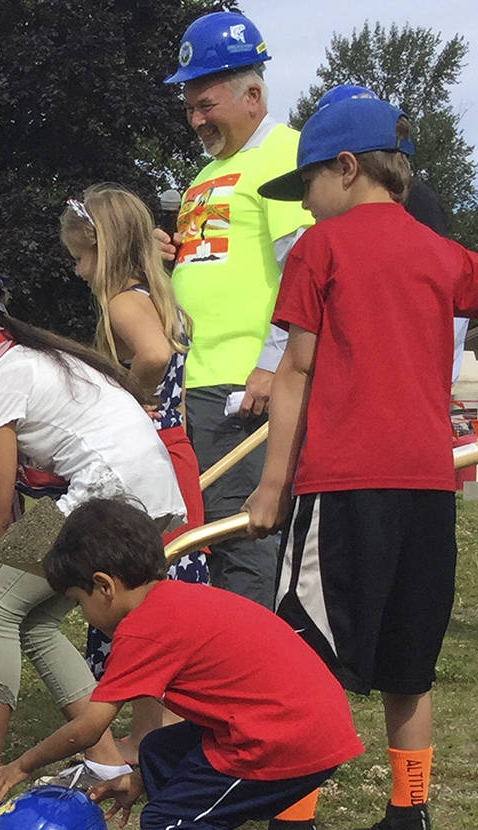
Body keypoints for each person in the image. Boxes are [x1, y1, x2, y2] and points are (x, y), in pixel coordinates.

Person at [246, 95, 478, 830]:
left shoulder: (320, 247)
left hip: (343, 487)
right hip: (428, 493)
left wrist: (272, 486)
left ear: (347, 168)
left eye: (308, 184)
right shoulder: (443, 254)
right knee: (411, 667)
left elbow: (295, 371)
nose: (305, 203)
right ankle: (409, 824)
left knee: (303, 660)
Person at [0, 250, 185, 807]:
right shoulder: (19, 360)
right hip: (139, 493)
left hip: (109, 494)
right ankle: (104, 761)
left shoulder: (2, 376)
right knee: (37, 621)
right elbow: (17, 509)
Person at [0, 498, 363, 830]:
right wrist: (138, 780)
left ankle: (197, 828)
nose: (83, 615)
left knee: (170, 823)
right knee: (158, 749)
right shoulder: (175, 599)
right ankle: (200, 826)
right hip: (311, 720)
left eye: (79, 602)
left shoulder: (141, 631)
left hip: (283, 740)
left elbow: (88, 729)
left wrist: (22, 765)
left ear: (104, 587)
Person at [161, 11, 313, 609]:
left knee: (242, 540)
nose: (196, 120)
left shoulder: (286, 153)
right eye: (189, 108)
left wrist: (275, 364)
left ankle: (249, 664)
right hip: (193, 383)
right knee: (204, 539)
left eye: (206, 105)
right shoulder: (206, 173)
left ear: (253, 95)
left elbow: (303, 269)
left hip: (243, 387)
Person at [59, 183, 210, 758]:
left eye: (82, 257)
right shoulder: (159, 297)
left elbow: (154, 356)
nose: (77, 271)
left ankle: (151, 732)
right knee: (164, 596)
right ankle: (157, 731)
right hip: (175, 448)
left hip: (148, 461)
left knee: (136, 590)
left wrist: (123, 397)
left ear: (107, 249)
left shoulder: (122, 301)